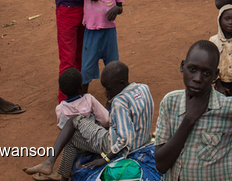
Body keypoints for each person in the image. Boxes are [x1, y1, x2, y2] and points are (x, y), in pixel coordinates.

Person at [154, 41, 232, 181]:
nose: (197, 79)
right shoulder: (170, 103)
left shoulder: (228, 108)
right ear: (182, 66)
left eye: (207, 73)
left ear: (215, 75)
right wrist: (189, 119)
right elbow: (161, 165)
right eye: (192, 69)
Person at [26, 61, 154, 180]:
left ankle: (51, 164)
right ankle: (59, 174)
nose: (106, 92)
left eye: (108, 89)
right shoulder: (144, 88)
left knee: (74, 121)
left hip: (112, 145)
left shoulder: (119, 102)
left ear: (121, 83)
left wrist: (105, 159)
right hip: (141, 140)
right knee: (72, 136)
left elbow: (124, 139)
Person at [40, 0, 123, 90]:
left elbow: (120, 7)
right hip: (91, 32)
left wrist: (117, 9)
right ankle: (83, 97)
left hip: (109, 32)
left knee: (113, 65)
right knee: (87, 67)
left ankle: (114, 96)